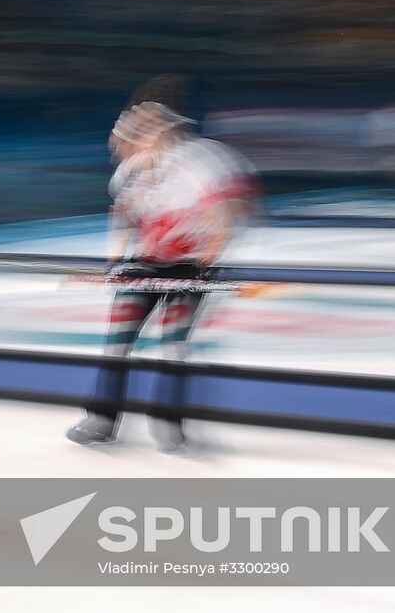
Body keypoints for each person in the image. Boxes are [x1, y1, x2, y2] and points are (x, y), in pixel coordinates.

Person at [67, 80, 256, 450]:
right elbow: (121, 213)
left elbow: (226, 216)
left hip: (190, 267)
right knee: (117, 345)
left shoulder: (203, 162)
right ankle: (101, 420)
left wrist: (204, 265)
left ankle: (169, 426)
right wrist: (116, 261)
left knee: (172, 348)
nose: (124, 145)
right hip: (145, 265)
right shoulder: (131, 170)